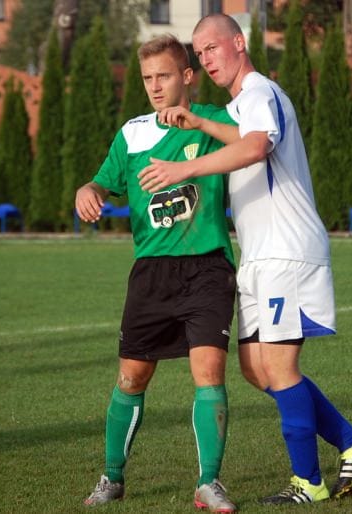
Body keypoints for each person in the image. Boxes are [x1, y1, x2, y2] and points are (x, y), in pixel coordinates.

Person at [137, 14, 352, 505]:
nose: (206, 58)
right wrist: (203, 122)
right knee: (255, 368)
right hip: (260, 258)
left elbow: (255, 145)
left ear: (239, 42)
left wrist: (184, 166)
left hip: (286, 252)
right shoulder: (239, 104)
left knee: (280, 366)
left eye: (213, 47)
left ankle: (307, 481)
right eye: (199, 52)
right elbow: (241, 136)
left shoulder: (258, 92)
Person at [76, 35, 239, 512]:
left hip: (207, 265)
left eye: (164, 75)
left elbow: (253, 142)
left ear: (187, 76)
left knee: (208, 372)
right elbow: (102, 182)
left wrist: (199, 121)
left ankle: (209, 482)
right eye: (147, 78)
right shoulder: (132, 133)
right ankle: (112, 476)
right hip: (151, 273)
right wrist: (88, 191)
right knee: (132, 378)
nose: (154, 86)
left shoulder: (213, 120)